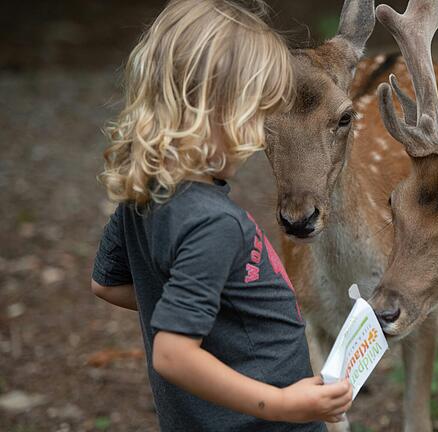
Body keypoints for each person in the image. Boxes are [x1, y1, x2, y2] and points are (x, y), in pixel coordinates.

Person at [90, 1, 351, 430]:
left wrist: (205, 314)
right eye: (258, 113)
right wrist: (283, 405)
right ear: (213, 109)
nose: (258, 136)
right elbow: (173, 355)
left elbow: (108, 283)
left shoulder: (146, 193)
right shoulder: (214, 224)